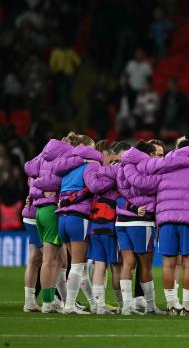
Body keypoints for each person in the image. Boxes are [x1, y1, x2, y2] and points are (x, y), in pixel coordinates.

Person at [123, 138, 189, 316]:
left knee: (168, 265)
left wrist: (127, 166)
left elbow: (142, 183)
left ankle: (171, 306)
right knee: (188, 265)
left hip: (166, 220)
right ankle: (186, 308)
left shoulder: (163, 171)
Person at [51, 134, 102, 314]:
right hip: (78, 217)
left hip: (62, 218)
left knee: (78, 266)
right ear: (88, 147)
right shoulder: (90, 164)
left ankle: (92, 303)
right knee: (79, 265)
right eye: (94, 147)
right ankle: (69, 305)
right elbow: (94, 187)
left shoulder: (67, 168)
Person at [84, 141, 131, 314]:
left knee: (99, 266)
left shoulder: (96, 174)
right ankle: (122, 305)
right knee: (117, 266)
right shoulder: (119, 176)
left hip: (95, 225)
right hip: (111, 226)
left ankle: (99, 305)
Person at [27, 137, 73, 313]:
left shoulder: (43, 159)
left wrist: (38, 192)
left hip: (40, 211)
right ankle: (47, 301)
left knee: (58, 259)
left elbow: (30, 178)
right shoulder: (63, 162)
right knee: (50, 259)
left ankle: (51, 298)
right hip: (52, 210)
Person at [23, 159, 44, 312]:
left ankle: (30, 301)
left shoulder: (35, 165)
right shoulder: (53, 167)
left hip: (30, 214)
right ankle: (56, 299)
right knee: (53, 260)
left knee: (35, 259)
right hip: (38, 215)